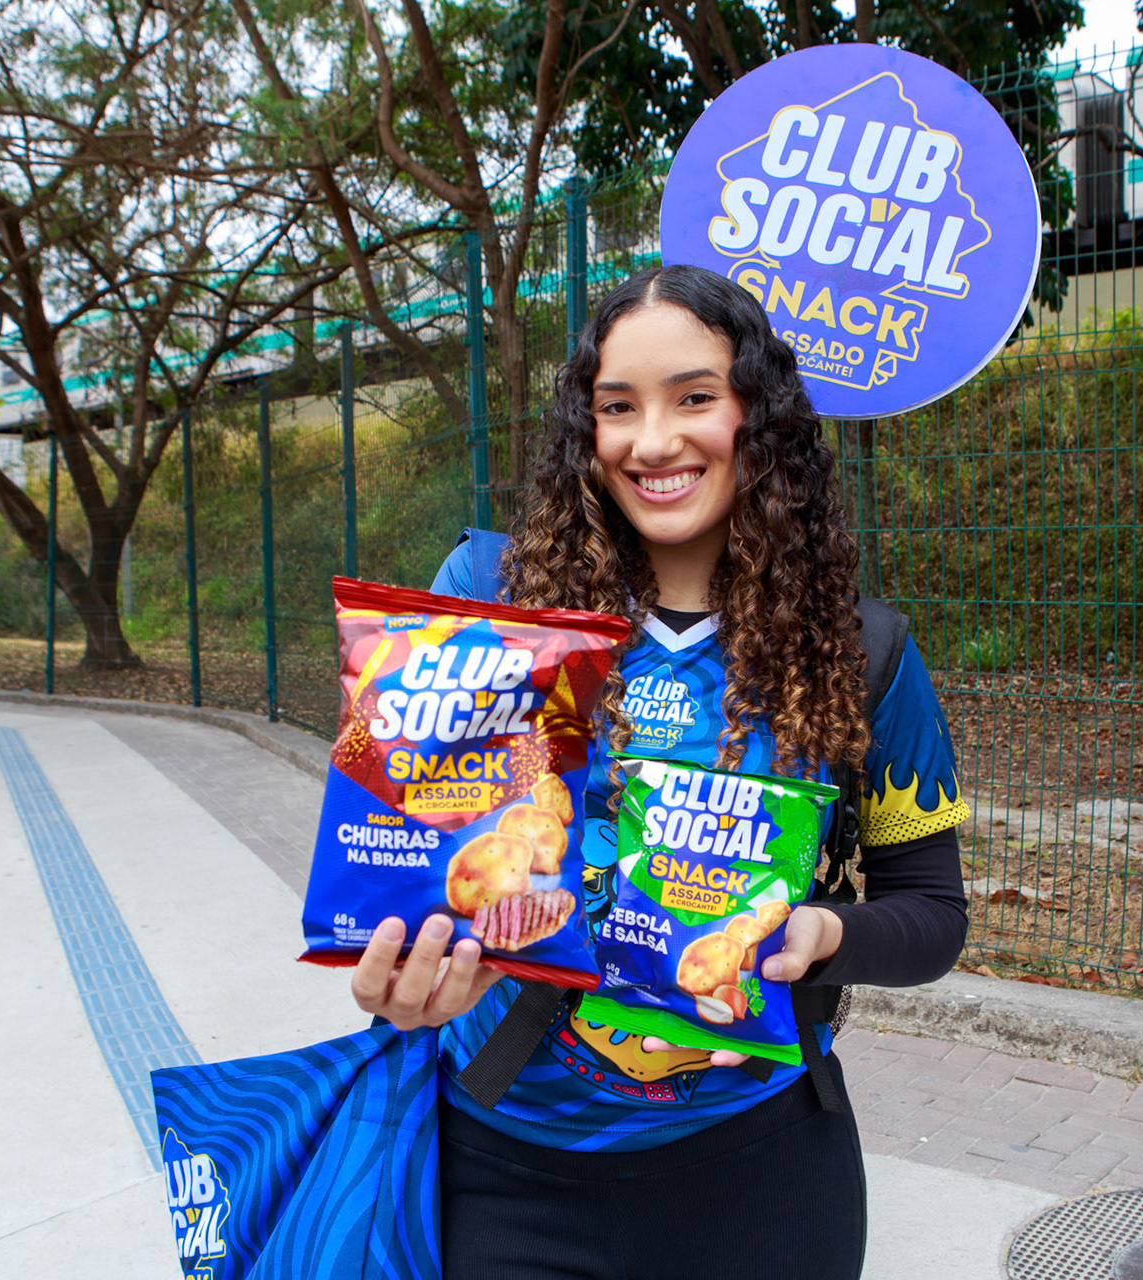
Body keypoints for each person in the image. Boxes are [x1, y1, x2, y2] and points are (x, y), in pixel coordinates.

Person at [348, 264, 970, 1278]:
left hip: (761, 1178)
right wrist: (402, 968)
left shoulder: (862, 652)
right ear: (584, 434)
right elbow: (405, 861)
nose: (653, 440)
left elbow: (933, 912)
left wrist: (825, 933)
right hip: (505, 1166)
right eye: (617, 407)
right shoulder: (487, 602)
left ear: (756, 417)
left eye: (694, 397)